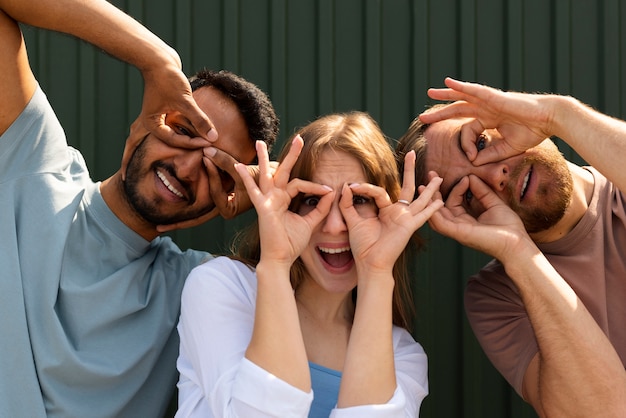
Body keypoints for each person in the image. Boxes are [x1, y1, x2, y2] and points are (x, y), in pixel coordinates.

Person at [0, 0, 278, 416]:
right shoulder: (33, 161)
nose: (186, 168)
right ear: (147, 119)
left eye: (217, 170)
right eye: (184, 131)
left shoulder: (200, 289)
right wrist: (157, 60)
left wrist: (269, 199)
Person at [175, 111, 444, 417]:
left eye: (358, 201)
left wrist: (378, 271)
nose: (334, 226)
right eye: (313, 200)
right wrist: (276, 262)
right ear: (288, 207)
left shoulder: (401, 355)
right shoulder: (222, 287)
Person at [396, 77, 626, 417]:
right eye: (468, 191)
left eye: (481, 142)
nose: (496, 177)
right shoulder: (497, 296)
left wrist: (555, 115)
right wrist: (518, 251)